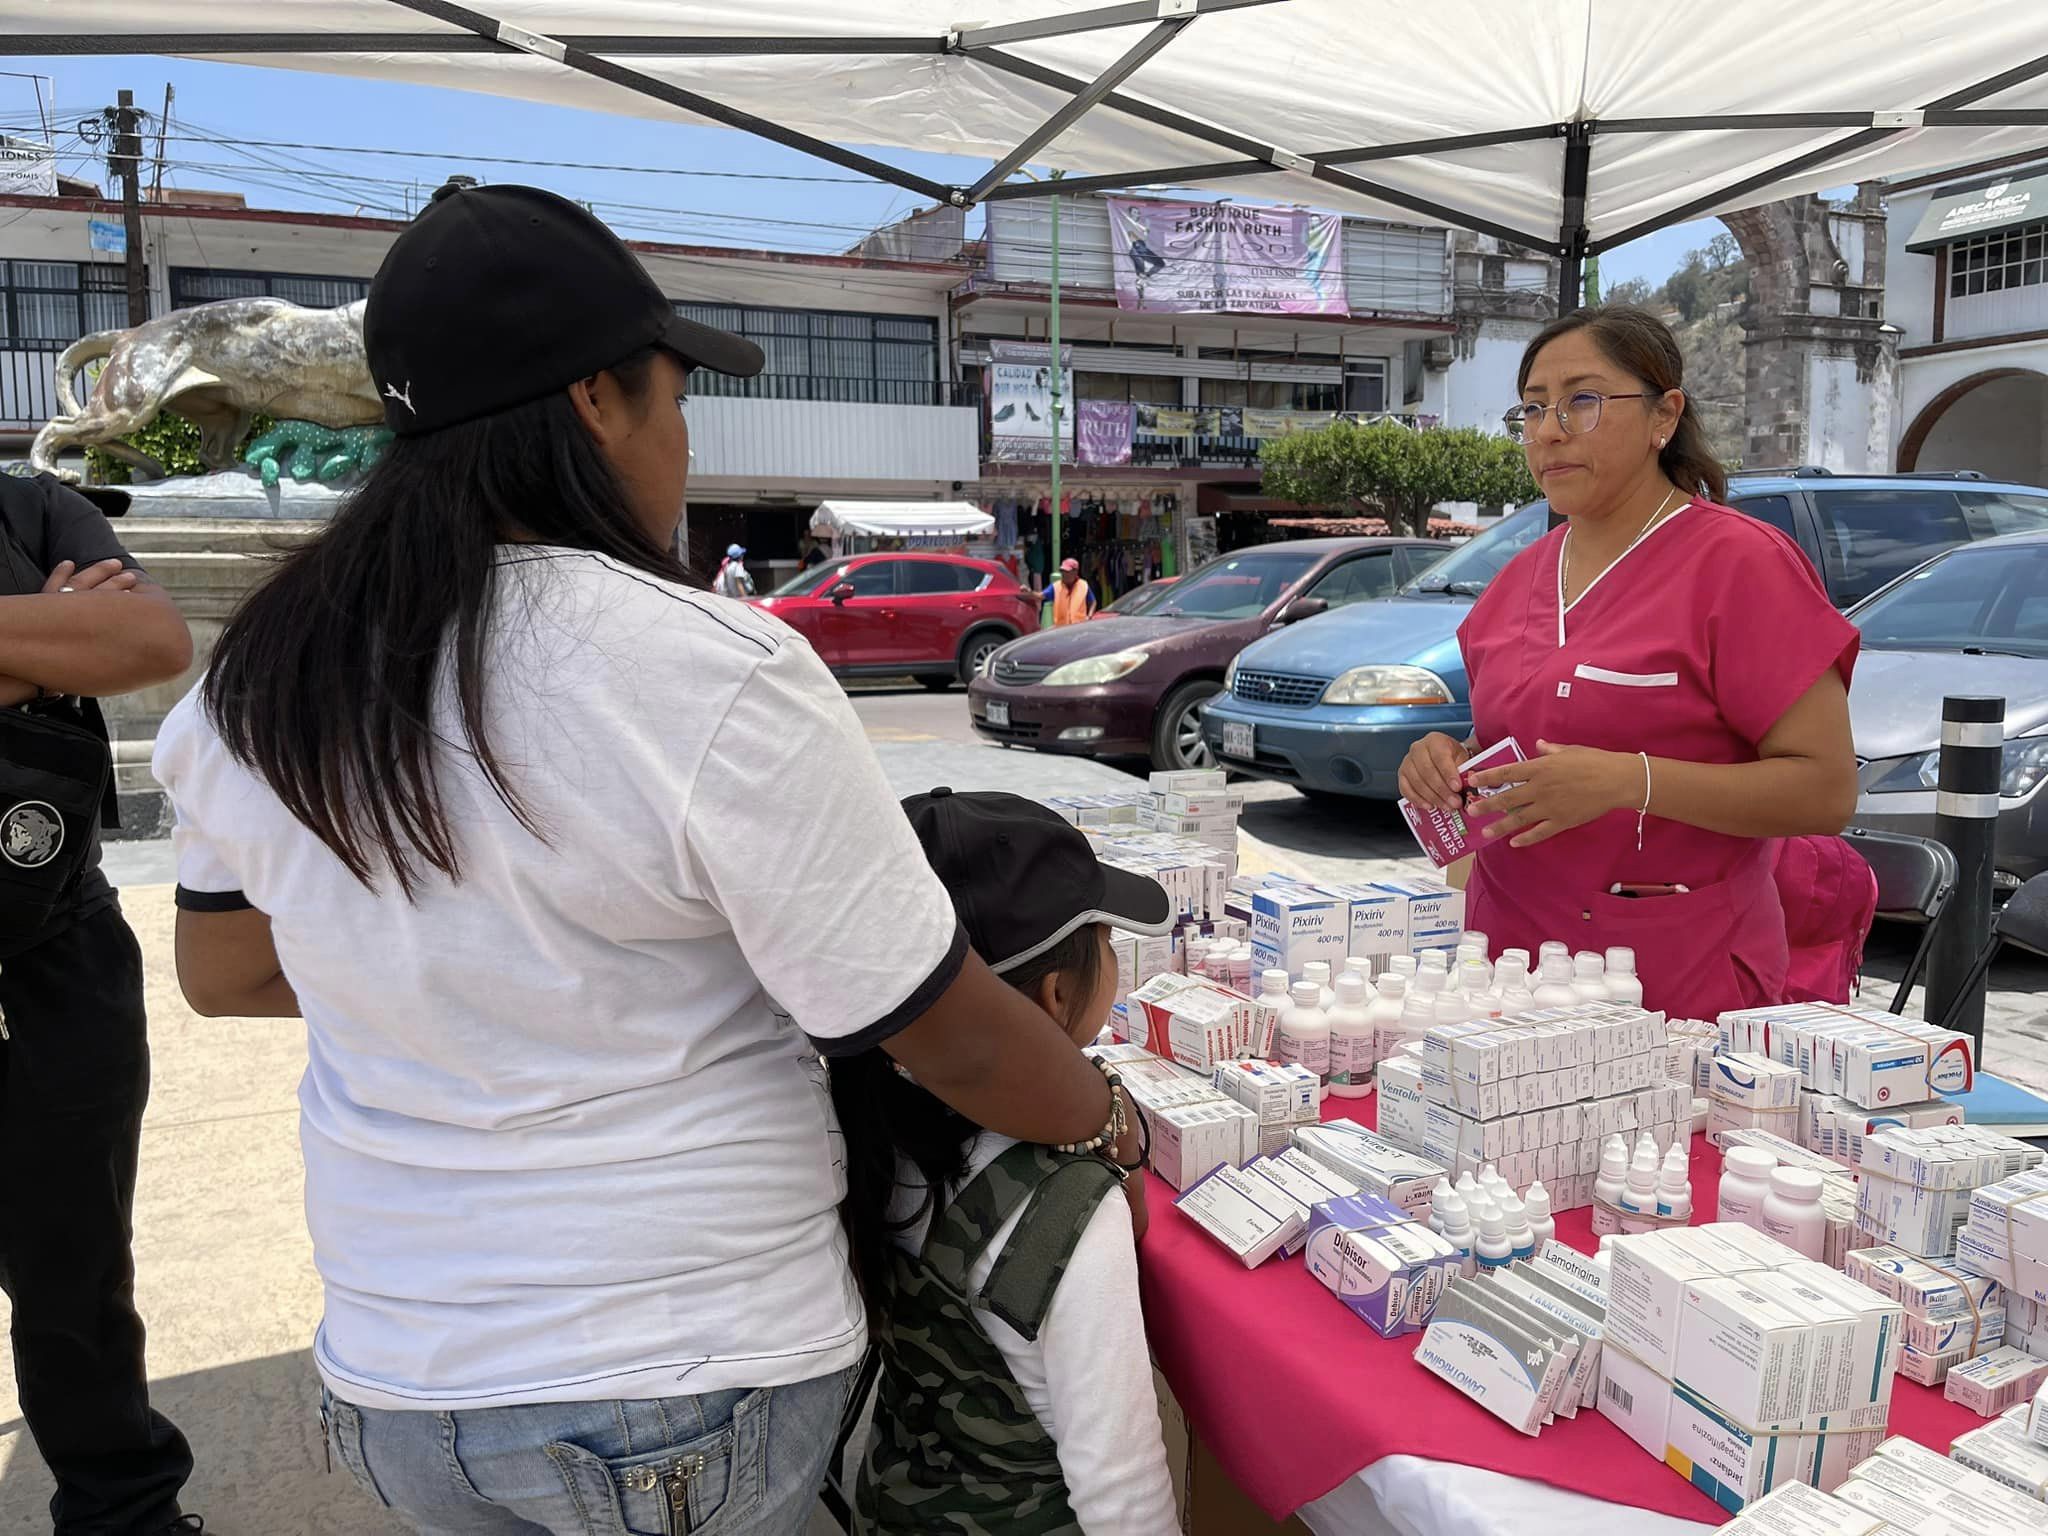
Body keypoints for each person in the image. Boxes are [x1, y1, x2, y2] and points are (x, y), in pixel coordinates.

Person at [152, 183, 1126, 1536]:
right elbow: (941, 1031)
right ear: (597, 402)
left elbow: (229, 967)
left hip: (403, 1369)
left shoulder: (255, 678)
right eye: (674, 401)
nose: (678, 440)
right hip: (674, 1371)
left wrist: (476, 981)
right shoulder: (705, 667)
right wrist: (1108, 1118)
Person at [1398, 305, 1858, 1018]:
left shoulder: (1740, 565)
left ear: (1663, 416)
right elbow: (1505, 748)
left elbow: (1824, 792)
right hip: (1507, 958)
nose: (1549, 430)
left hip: (1672, 968)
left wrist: (1628, 781)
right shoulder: (1518, 578)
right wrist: (1446, 760)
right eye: (1531, 409)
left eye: (1582, 401)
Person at [833, 789, 1180, 1536]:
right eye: (1107, 943)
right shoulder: (1065, 1210)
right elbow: (1123, 1491)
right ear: (1056, 997)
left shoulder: (869, 1120)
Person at [0, 472, 199, 1535]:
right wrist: (40, 649)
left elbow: (151, 644)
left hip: (54, 942)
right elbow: (94, 646)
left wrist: (83, 643)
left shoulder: (31, 509)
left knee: (75, 1268)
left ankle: (124, 1510)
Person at [1042, 558, 1095, 626]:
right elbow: (1040, 596)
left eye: (1067, 572)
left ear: (1075, 572)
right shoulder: (1056, 586)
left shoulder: (1083, 585)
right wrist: (1028, 593)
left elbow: (1093, 601)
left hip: (1079, 626)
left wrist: (1089, 616)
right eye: (1062, 571)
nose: (1064, 574)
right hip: (1061, 628)